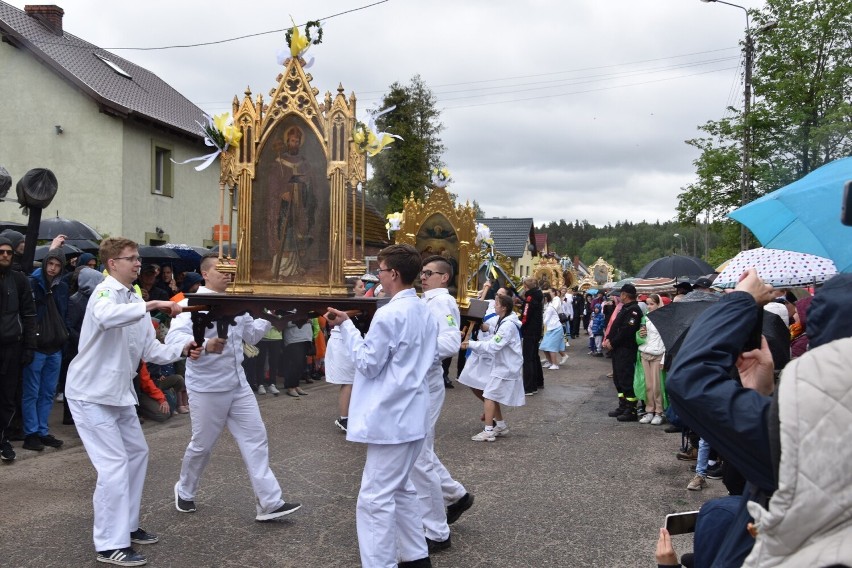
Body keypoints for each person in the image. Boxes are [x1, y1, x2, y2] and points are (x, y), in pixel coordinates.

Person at [667, 271, 852, 566]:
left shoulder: (814, 428)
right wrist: (762, 399)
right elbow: (767, 483)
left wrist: (739, 301)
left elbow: (690, 380)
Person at [65, 237, 200, 567]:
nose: (138, 264)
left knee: (137, 453)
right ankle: (109, 544)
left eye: (138, 258)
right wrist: (154, 306)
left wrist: (181, 349)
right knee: (113, 466)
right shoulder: (105, 291)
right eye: (131, 259)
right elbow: (107, 316)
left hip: (118, 394)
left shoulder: (134, 298)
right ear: (112, 264)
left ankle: (127, 525)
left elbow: (150, 350)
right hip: (90, 393)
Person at [166, 254, 301, 523]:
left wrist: (269, 316)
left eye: (231, 270)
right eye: (221, 270)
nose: (228, 274)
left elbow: (251, 335)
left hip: (238, 384)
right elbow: (175, 339)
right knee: (203, 445)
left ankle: (270, 502)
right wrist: (204, 345)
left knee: (256, 438)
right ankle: (185, 489)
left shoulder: (239, 303)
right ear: (205, 273)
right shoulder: (190, 304)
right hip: (206, 386)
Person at [325, 244, 436, 568]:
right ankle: (415, 558)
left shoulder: (390, 313)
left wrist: (346, 328)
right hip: (411, 412)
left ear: (394, 274)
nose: (379, 276)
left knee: (374, 499)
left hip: (393, 416)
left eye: (381, 271)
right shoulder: (421, 310)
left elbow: (368, 364)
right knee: (401, 491)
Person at [415, 255, 473, 552]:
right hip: (418, 383)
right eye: (422, 272)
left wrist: (412, 350)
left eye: (429, 273)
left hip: (428, 384)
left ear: (444, 278)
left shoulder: (441, 302)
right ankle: (456, 495)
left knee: (419, 456)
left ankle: (436, 530)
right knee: (419, 452)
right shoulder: (425, 301)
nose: (423, 277)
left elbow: (450, 343)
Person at [21, 248, 69, 451]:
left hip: (54, 346)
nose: (53, 268)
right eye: (50, 264)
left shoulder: (62, 287)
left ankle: (41, 430)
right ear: (45, 264)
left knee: (48, 392)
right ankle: (31, 433)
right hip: (38, 346)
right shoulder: (34, 282)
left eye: (57, 266)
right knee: (31, 391)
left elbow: (63, 313)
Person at [463, 292, 525, 442]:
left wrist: (470, 344)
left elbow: (494, 345)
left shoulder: (508, 325)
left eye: (497, 304)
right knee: (492, 394)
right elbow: (495, 333)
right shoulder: (504, 320)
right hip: (503, 364)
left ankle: (488, 430)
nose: (494, 306)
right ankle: (501, 426)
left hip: (507, 366)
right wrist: (484, 327)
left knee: (489, 395)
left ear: (503, 308)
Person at [0, 237, 37, 463]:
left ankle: (3, 438)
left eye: (9, 253)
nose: (5, 255)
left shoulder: (20, 280)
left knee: (8, 397)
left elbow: (29, 315)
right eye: (1, 252)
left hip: (13, 347)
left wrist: (29, 345)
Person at [267, 126, 317, 279]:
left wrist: (304, 184)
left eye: (297, 141)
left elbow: (311, 183)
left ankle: (296, 266)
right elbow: (273, 184)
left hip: (300, 205)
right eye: (292, 140)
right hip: (284, 206)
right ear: (287, 141)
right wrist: (282, 193)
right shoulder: (279, 162)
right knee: (285, 233)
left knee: (299, 233)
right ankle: (281, 268)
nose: (294, 143)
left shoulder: (304, 163)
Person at [603, 283, 643, 421]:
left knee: (626, 379)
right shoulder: (625, 308)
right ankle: (623, 405)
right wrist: (608, 339)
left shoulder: (634, 310)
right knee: (618, 379)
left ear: (625, 295)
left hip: (626, 350)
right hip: (617, 349)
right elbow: (615, 326)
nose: (620, 296)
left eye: (621, 294)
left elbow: (627, 331)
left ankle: (631, 409)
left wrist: (612, 342)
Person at [637, 294, 665, 425]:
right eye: (647, 303)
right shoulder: (645, 318)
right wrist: (640, 334)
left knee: (656, 386)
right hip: (644, 353)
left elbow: (666, 340)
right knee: (647, 385)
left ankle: (659, 412)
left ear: (658, 304)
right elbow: (639, 336)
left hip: (658, 354)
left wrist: (664, 358)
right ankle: (649, 411)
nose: (649, 306)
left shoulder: (664, 319)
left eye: (652, 303)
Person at [520, 277, 544, 395]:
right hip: (537, 330)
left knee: (528, 358)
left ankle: (529, 387)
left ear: (526, 287)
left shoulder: (530, 297)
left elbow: (525, 315)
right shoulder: (539, 295)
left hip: (530, 330)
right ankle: (538, 382)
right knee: (534, 356)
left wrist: (520, 325)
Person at [539, 291, 566, 370]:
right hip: (550, 329)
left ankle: (555, 364)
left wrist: (538, 325)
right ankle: (550, 362)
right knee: (543, 346)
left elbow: (545, 320)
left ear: (546, 299)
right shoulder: (545, 306)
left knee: (551, 347)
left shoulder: (550, 308)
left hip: (556, 328)